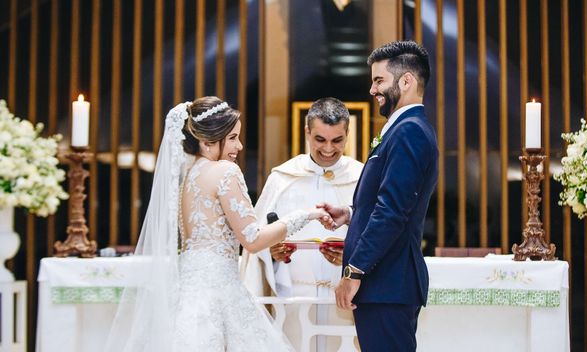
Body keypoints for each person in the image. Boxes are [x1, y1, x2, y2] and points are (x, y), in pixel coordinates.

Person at [104, 97, 330, 352]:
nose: (240, 146)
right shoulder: (226, 171)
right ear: (207, 140)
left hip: (186, 291)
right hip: (216, 293)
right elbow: (253, 240)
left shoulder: (189, 176)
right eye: (232, 138)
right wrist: (304, 215)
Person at [319, 41, 439, 352]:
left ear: (406, 81)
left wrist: (354, 271)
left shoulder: (409, 131)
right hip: (386, 285)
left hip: (387, 283)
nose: (372, 90)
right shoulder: (403, 129)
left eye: (378, 80)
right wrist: (352, 212)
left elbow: (392, 212)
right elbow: (388, 202)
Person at [241, 97, 363, 351]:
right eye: (320, 139)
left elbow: (378, 238)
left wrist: (350, 255)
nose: (328, 149)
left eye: (337, 140)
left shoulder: (362, 178)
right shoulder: (282, 179)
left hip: (345, 303)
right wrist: (272, 254)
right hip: (293, 301)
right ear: (307, 132)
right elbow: (255, 243)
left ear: (347, 134)